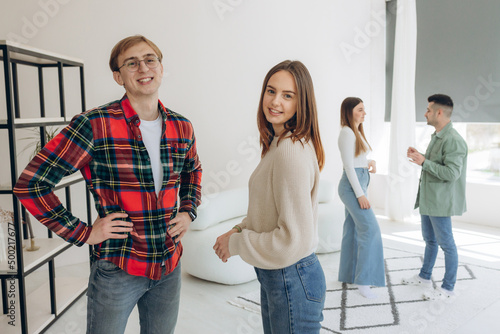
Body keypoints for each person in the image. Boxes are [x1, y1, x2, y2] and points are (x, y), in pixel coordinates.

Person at [14, 35, 202, 334]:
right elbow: (31, 185)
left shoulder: (182, 126)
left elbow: (193, 171)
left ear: (161, 68)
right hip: (119, 267)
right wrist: (84, 233)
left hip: (169, 263)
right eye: (132, 63)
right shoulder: (94, 124)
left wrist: (188, 210)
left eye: (150, 59)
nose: (143, 67)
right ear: (118, 76)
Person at [213, 60, 326, 333]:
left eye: (288, 95)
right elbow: (268, 211)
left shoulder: (289, 149)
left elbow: (291, 241)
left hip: (291, 276)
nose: (275, 101)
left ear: (302, 103)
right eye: (271, 91)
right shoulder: (281, 142)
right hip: (282, 276)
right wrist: (237, 230)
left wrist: (237, 243)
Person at [403, 94, 467, 300]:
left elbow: (451, 173)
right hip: (428, 198)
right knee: (430, 240)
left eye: (428, 110)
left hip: (439, 201)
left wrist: (423, 162)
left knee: (447, 244)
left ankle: (448, 289)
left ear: (439, 112)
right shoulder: (438, 136)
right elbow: (437, 165)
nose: (425, 113)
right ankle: (424, 277)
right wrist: (421, 156)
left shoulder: (454, 140)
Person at [337, 97, 385, 299]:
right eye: (360, 110)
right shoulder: (347, 133)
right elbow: (348, 166)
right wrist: (360, 195)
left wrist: (369, 162)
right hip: (352, 187)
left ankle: (348, 274)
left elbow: (357, 159)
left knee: (353, 230)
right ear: (350, 111)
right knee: (370, 229)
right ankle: (364, 281)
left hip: (360, 181)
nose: (364, 113)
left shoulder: (356, 131)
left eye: (364, 109)